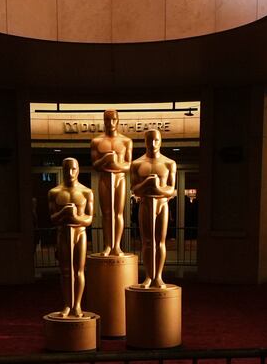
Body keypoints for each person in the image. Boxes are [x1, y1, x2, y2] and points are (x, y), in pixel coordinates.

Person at [130, 129, 177, 289]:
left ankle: (159, 276)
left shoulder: (169, 163)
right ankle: (149, 276)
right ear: (144, 141)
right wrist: (146, 184)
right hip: (145, 204)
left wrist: (156, 187)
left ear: (161, 140)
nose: (153, 144)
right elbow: (135, 189)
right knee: (147, 242)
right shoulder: (137, 163)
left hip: (162, 204)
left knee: (160, 242)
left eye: (156, 140)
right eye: (149, 140)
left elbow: (171, 189)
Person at [48, 158, 93, 317]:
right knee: (65, 271)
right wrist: (63, 213)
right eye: (66, 169)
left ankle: (77, 305)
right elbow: (53, 218)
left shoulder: (86, 192)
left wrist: (74, 217)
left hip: (79, 234)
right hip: (62, 234)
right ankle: (67, 304)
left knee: (79, 271)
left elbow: (89, 219)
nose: (70, 173)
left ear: (78, 170)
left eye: (73, 169)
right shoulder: (54, 192)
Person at [90, 109, 132, 256]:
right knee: (107, 213)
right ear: (104, 121)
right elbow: (95, 165)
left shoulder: (126, 141)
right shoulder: (97, 141)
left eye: (114, 119)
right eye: (107, 120)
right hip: (105, 179)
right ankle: (108, 245)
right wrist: (106, 159)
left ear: (118, 120)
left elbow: (128, 165)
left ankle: (117, 246)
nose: (111, 123)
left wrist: (114, 163)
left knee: (118, 213)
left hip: (119, 179)